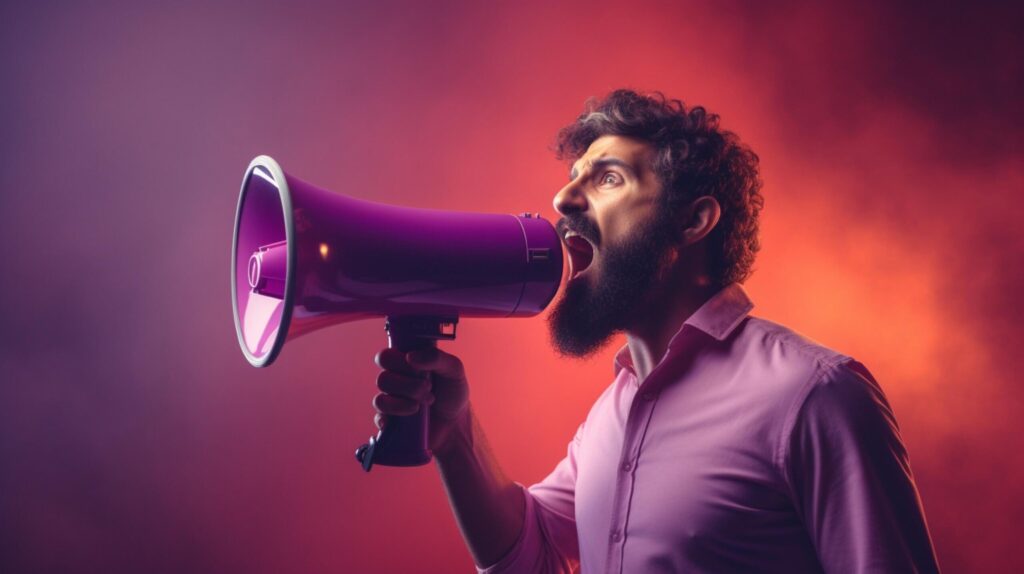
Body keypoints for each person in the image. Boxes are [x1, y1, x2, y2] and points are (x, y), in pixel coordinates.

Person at [372, 89, 941, 573]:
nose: (562, 200)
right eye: (573, 180)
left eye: (609, 178)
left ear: (692, 221)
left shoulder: (814, 395)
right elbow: (534, 554)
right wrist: (455, 436)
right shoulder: (610, 418)